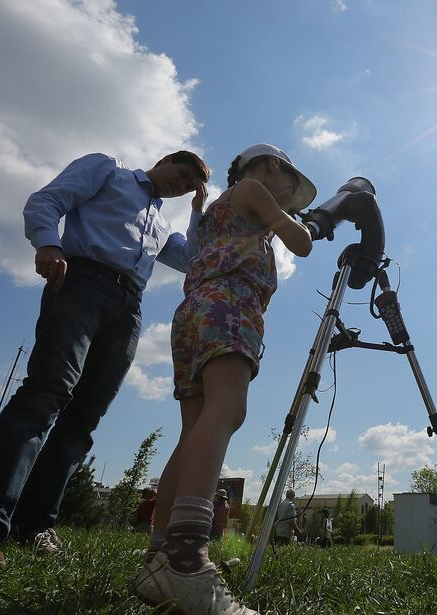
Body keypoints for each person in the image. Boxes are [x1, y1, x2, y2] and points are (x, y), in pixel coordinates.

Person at [0, 151, 210, 568]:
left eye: (187, 187)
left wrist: (197, 212)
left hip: (129, 307)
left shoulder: (161, 224)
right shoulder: (111, 170)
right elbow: (47, 200)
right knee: (48, 391)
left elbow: (194, 259)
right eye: (179, 175)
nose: (179, 187)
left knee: (85, 415)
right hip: (82, 281)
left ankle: (35, 526)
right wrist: (47, 242)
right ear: (163, 161)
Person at [130, 144, 315, 614]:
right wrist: (305, 225)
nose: (290, 198)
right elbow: (301, 242)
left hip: (194, 310)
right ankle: (187, 559)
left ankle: (158, 556)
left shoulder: (214, 211)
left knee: (195, 427)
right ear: (274, 167)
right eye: (291, 190)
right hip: (232, 302)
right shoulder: (253, 189)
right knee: (227, 409)